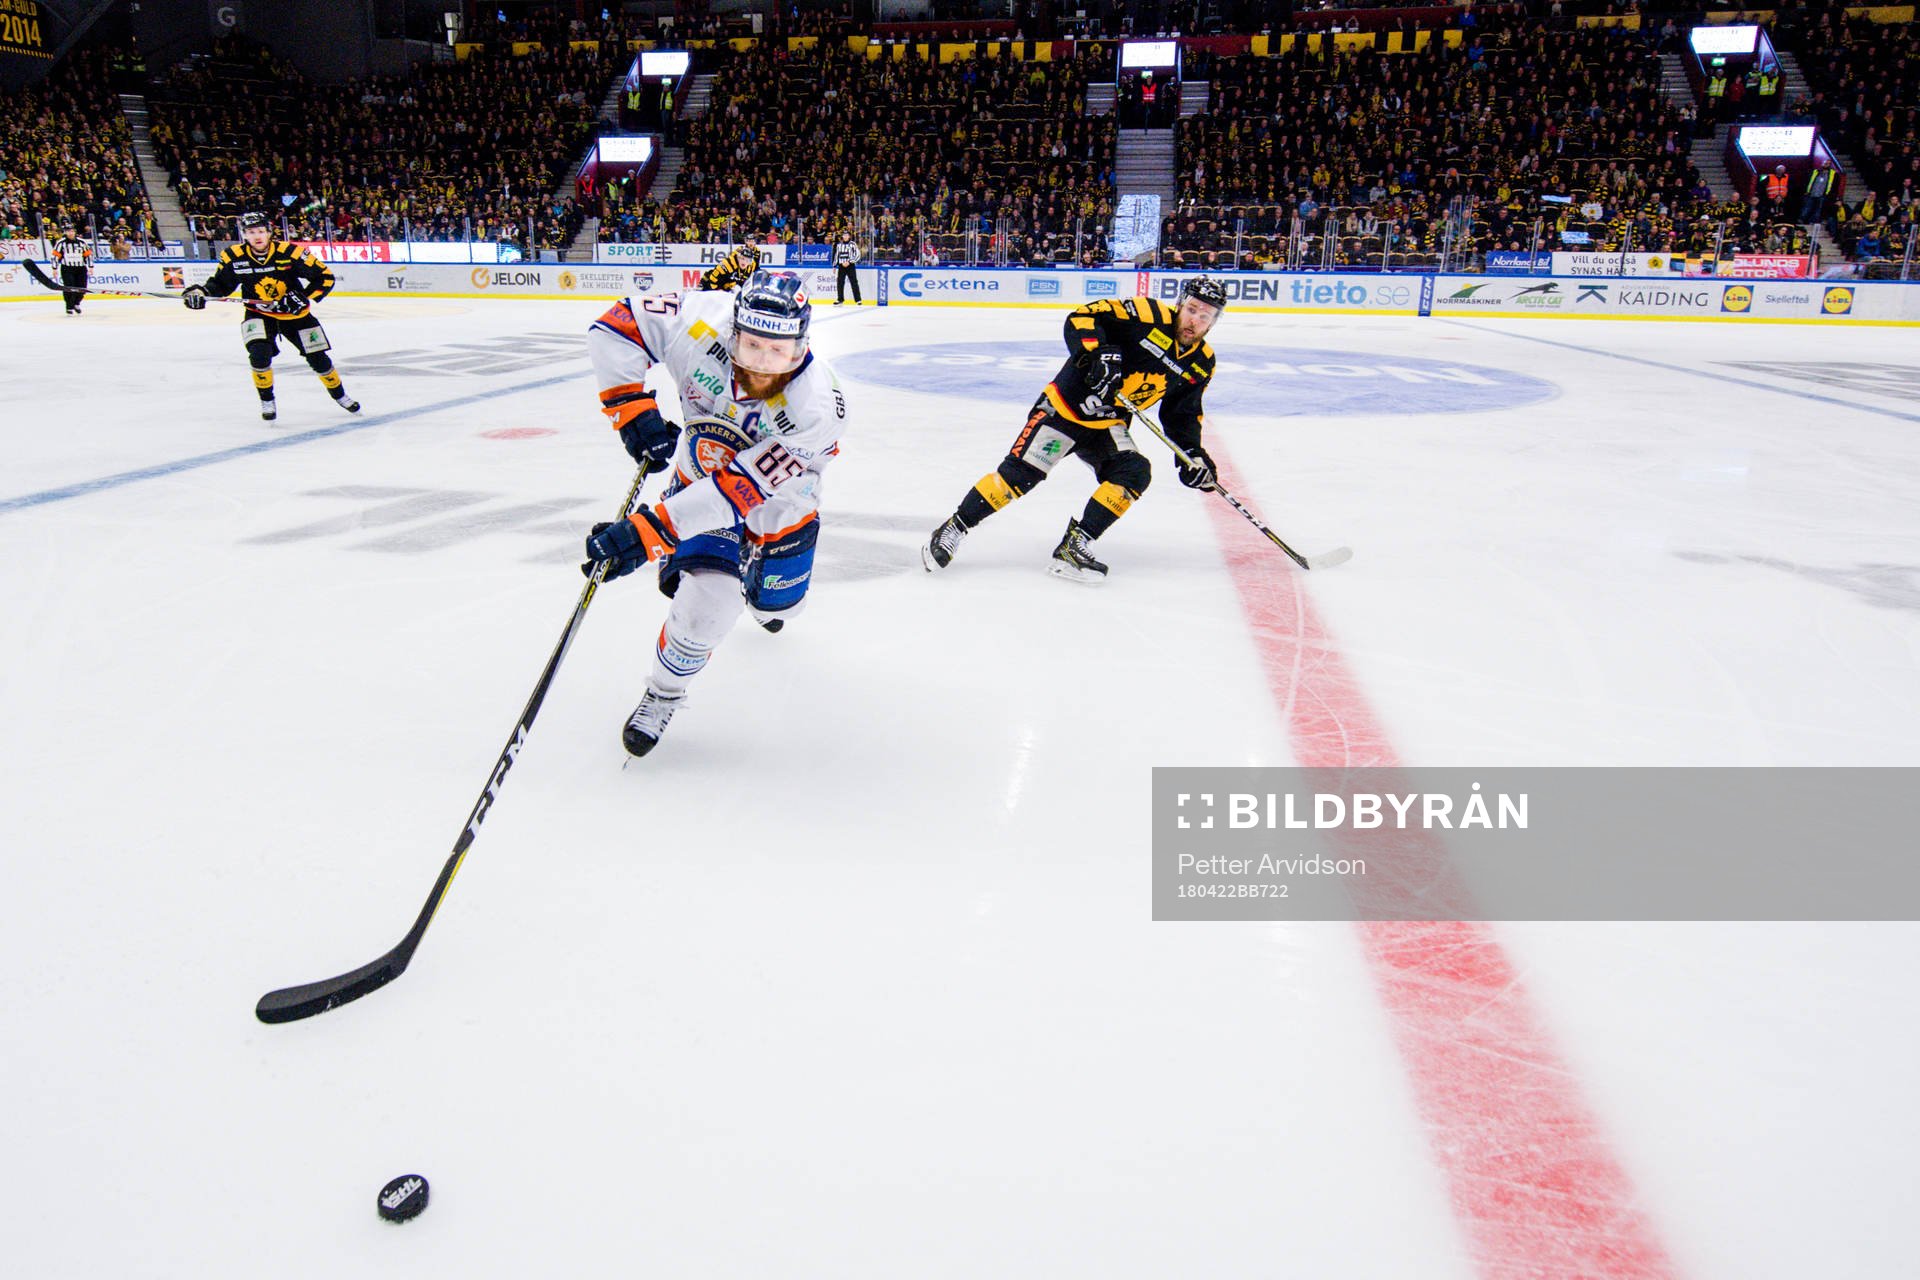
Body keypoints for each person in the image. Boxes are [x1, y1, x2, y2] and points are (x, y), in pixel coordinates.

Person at [579, 249, 850, 757]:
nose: (763, 366)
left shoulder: (818, 407)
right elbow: (617, 324)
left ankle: (763, 599)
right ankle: (663, 693)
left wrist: (646, 531)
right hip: (700, 483)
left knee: (780, 607)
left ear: (802, 346)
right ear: (733, 332)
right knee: (709, 607)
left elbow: (740, 490)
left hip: (780, 509)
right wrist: (630, 407)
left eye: (779, 352)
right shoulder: (701, 322)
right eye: (751, 346)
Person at [921, 278, 1226, 583]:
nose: (1194, 320)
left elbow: (1182, 414)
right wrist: (1096, 353)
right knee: (1018, 478)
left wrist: (1191, 455)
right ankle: (954, 526)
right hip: (1064, 410)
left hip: (1107, 424)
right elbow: (1083, 316)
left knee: (1134, 472)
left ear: (1213, 322)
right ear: (1180, 304)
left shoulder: (1201, 363)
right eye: (1192, 309)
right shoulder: (1146, 314)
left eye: (1205, 316)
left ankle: (1074, 545)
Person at [182, 211, 359, 422]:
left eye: (260, 231)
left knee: (318, 358)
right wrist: (201, 293)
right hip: (259, 313)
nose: (256, 236)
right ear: (244, 234)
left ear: (269, 232)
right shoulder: (233, 256)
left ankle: (340, 395)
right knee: (258, 355)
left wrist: (304, 298)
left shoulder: (290, 252)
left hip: (295, 314)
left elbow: (325, 278)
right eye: (250, 232)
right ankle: (267, 400)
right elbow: (220, 285)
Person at [49, 224, 92, 316]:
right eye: (68, 231)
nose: (70, 233)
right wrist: (54, 268)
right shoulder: (61, 243)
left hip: (81, 268)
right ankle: (69, 306)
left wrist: (91, 267)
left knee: (82, 288)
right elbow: (55, 256)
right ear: (65, 232)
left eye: (72, 231)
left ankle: (76, 303)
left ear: (75, 231)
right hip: (67, 268)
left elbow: (88, 255)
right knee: (69, 287)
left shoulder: (82, 242)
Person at [833, 235, 862, 304]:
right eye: (844, 235)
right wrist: (834, 266)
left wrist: (849, 262)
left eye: (847, 235)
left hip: (850, 266)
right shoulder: (839, 245)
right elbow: (837, 255)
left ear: (849, 236)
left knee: (854, 282)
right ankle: (840, 299)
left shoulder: (853, 244)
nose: (845, 237)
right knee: (840, 282)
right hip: (841, 266)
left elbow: (857, 254)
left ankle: (858, 300)